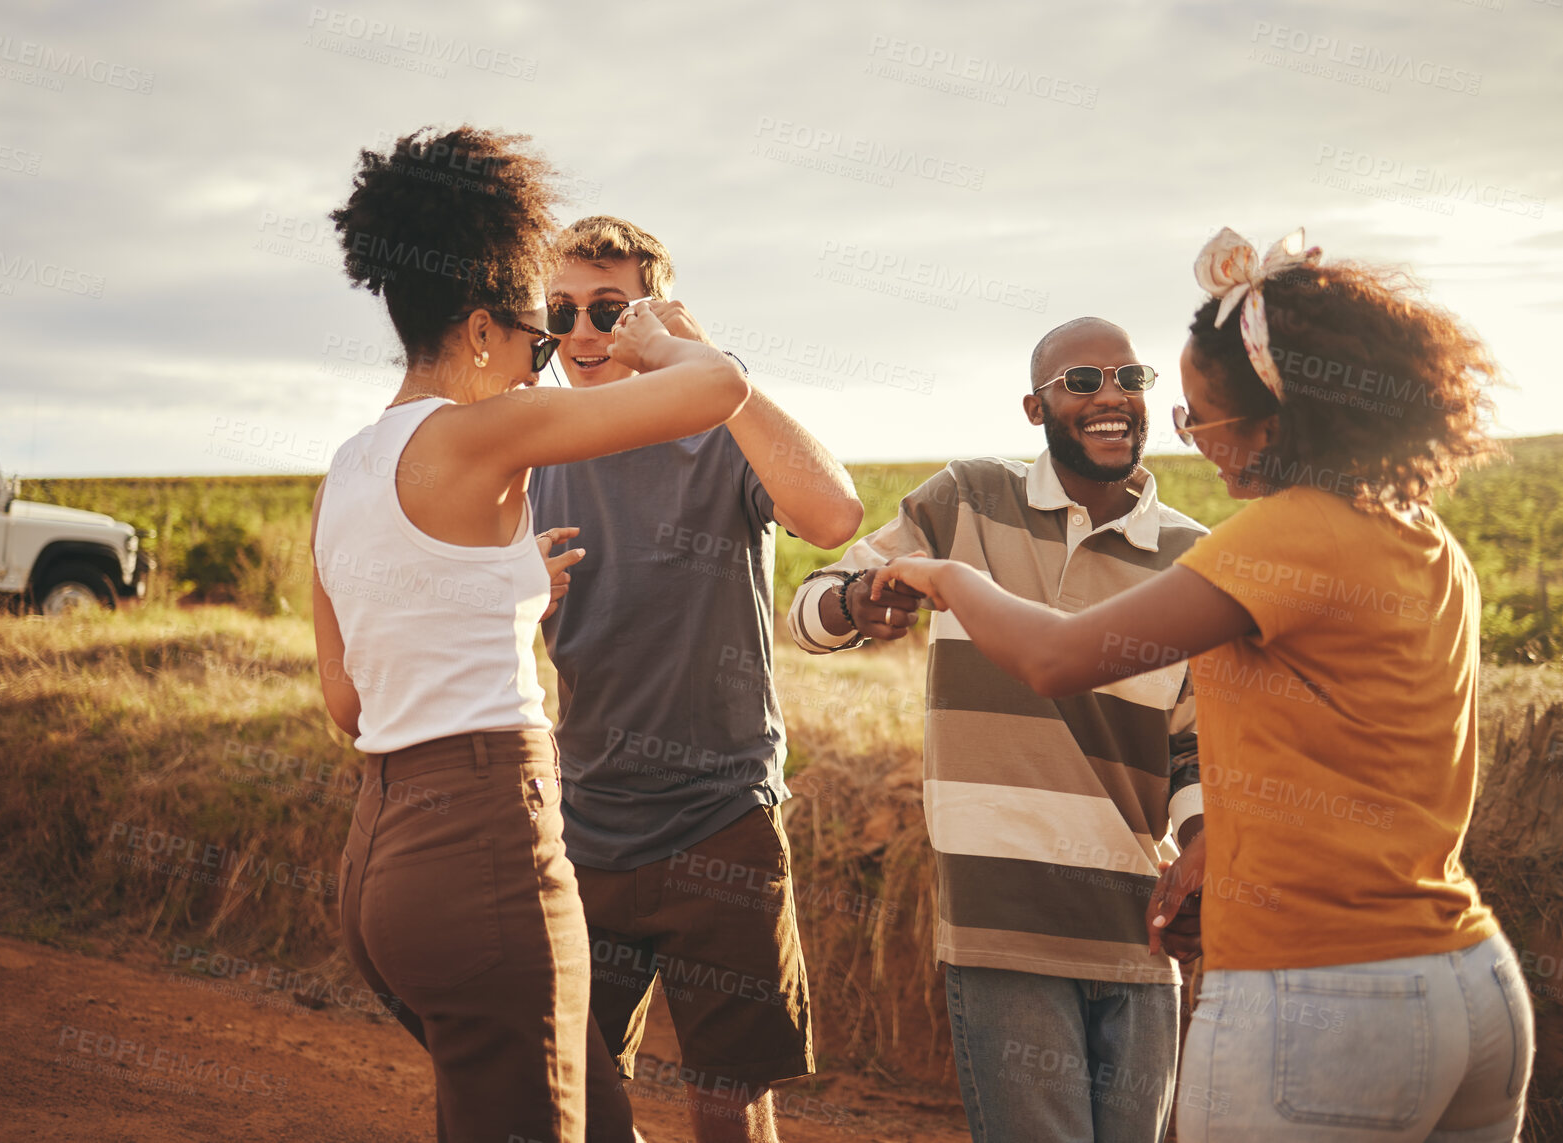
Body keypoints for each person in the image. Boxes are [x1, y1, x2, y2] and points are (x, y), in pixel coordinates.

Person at [874, 229, 1535, 1142]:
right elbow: (1332, 746)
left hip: (1321, 996)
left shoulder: (1282, 534)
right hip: (1467, 980)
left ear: (1277, 414)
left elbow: (1058, 657)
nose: (1194, 443)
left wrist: (948, 579)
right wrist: (1213, 841)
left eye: (1200, 417)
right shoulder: (1423, 537)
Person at [310, 128, 749, 1143]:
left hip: (380, 867)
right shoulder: (485, 430)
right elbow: (717, 389)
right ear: (477, 331)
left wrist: (484, 601)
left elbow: (350, 703)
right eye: (536, 338)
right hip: (486, 853)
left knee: (591, 1126)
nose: (544, 361)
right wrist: (660, 332)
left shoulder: (342, 470)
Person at [786, 316, 1207, 1142]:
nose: (1110, 396)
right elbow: (810, 609)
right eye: (1080, 382)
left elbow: (1194, 743)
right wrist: (855, 604)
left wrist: (1201, 849)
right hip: (1000, 915)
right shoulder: (968, 499)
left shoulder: (1192, 556)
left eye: (1129, 376)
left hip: (1138, 927)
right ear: (1034, 407)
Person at [529, 216, 863, 1143]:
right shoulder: (530, 450)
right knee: (576, 1096)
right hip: (582, 816)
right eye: (563, 309)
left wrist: (699, 359)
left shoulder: (716, 431)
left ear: (655, 314)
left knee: (728, 1098)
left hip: (721, 813)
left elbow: (833, 514)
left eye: (609, 308)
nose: (584, 331)